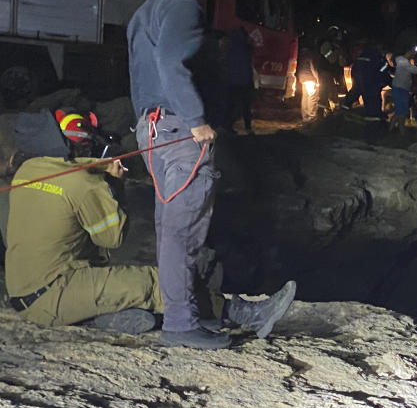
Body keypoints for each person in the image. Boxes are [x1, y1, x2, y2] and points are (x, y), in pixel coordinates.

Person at [4, 110, 295, 342]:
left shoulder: (27, 171)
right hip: (53, 294)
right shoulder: (83, 183)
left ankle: (101, 317)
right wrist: (114, 184)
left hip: (24, 292)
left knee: (120, 280)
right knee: (158, 282)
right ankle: (245, 313)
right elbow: (112, 238)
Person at [127, 0, 291, 349]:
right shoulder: (182, 7)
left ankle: (188, 315)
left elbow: (146, 68)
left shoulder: (146, 8)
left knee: (170, 228)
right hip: (180, 130)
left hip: (152, 129)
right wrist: (197, 120)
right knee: (183, 231)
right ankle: (181, 325)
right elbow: (171, 63)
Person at [390, 45, 417, 130]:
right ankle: (401, 132)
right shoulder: (402, 61)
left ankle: (391, 130)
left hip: (403, 88)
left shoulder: (403, 61)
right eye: (412, 53)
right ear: (408, 52)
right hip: (400, 89)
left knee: (400, 111)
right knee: (401, 112)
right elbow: (415, 70)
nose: (413, 55)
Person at [225, 28, 255, 132]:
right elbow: (248, 66)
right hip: (244, 82)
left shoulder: (229, 48)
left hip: (233, 82)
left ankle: (229, 127)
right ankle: (248, 127)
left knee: (233, 106)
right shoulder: (246, 48)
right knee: (246, 106)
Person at [297, 41, 322, 123]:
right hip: (310, 78)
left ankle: (305, 117)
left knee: (305, 97)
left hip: (302, 78)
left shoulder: (300, 55)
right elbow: (313, 68)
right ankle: (311, 117)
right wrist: (317, 79)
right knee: (312, 97)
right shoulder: (310, 55)